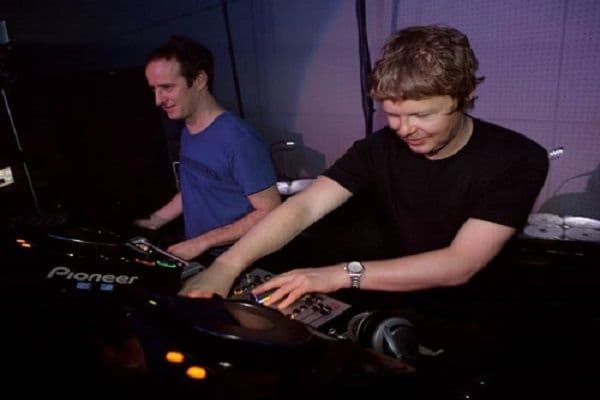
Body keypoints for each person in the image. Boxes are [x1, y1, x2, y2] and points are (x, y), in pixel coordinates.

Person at [179, 25, 549, 308]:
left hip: (477, 315)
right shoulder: (380, 147)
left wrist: (341, 275)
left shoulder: (518, 159)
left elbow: (460, 263)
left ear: (465, 97)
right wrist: (226, 266)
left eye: (422, 115)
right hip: (398, 299)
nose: (405, 130)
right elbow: (304, 207)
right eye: (393, 115)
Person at [135, 35, 281, 260]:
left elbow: (270, 211)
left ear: (200, 80)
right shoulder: (188, 129)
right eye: (154, 89)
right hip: (199, 253)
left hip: (235, 258)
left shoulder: (238, 139)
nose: (158, 100)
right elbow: (194, 188)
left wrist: (202, 242)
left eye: (167, 87)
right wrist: (153, 221)